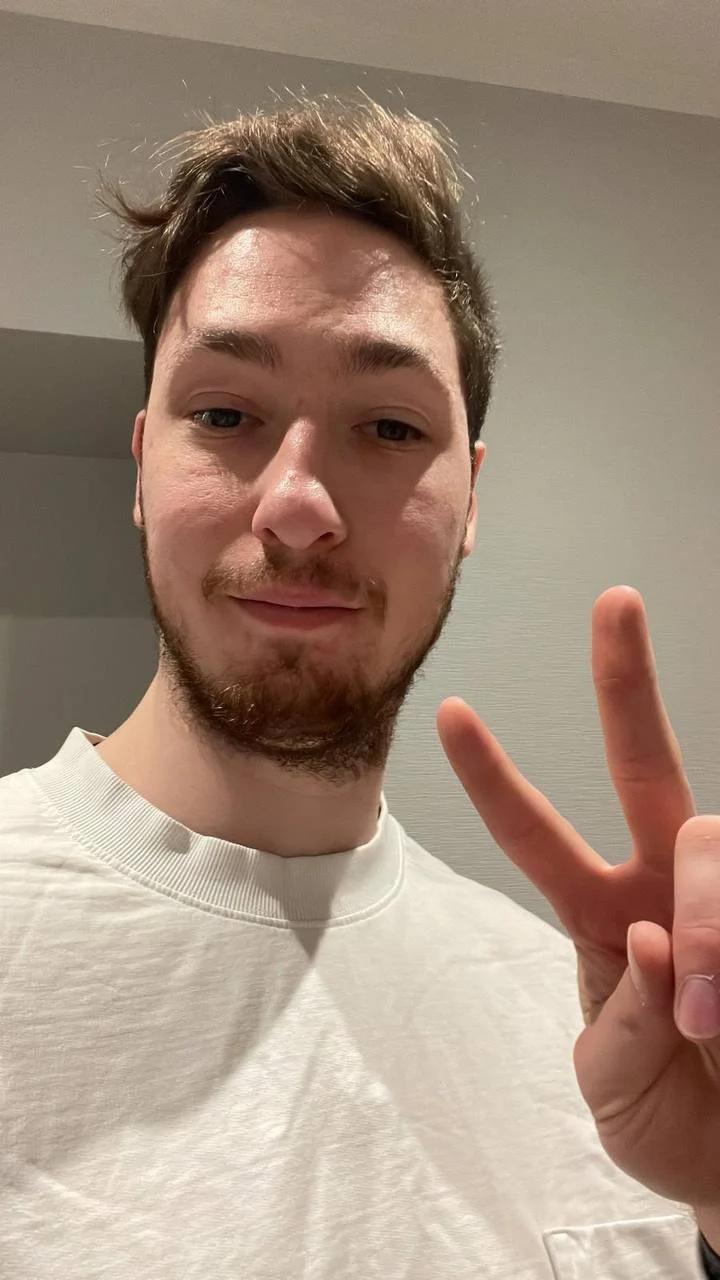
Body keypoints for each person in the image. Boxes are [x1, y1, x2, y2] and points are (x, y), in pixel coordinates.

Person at [0, 94, 717, 1278]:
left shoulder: (613, 1033)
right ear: (141, 466)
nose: (298, 504)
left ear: (471, 497)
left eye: (387, 428)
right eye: (224, 412)